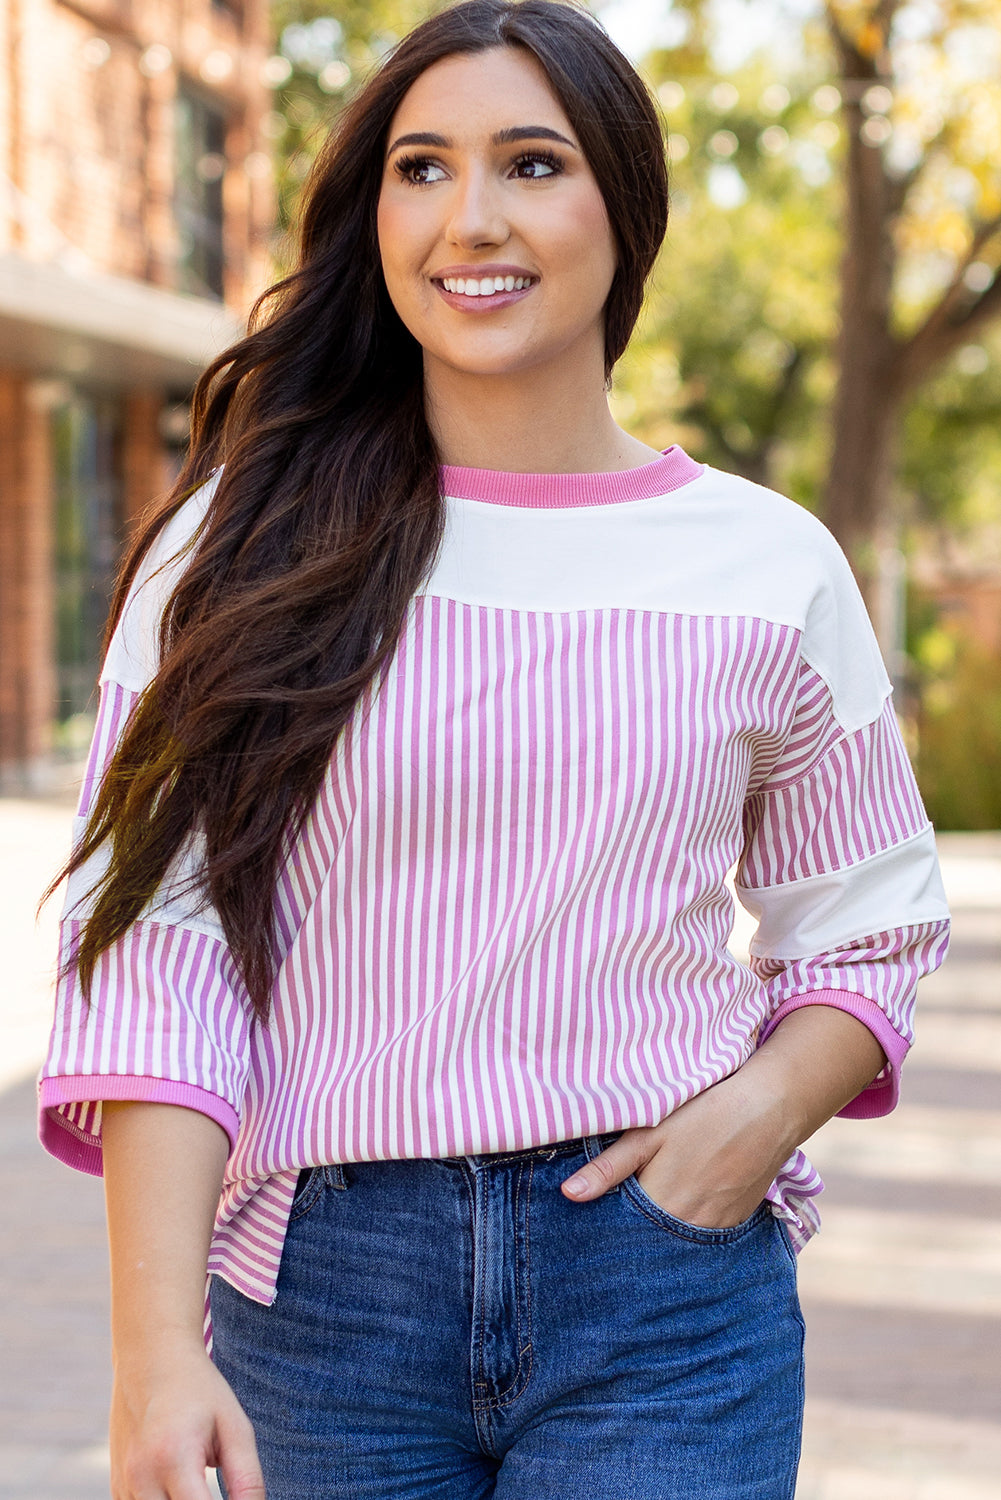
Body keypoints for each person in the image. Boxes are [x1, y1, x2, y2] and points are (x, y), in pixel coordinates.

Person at [39, 2, 950, 1497]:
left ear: (622, 209)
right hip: (319, 1294)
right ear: (374, 212)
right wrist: (151, 1352)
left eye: (531, 164)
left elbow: (866, 925)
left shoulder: (762, 562)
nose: (470, 218)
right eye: (420, 167)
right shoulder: (236, 547)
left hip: (661, 1288)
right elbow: (155, 940)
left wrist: (753, 1122)